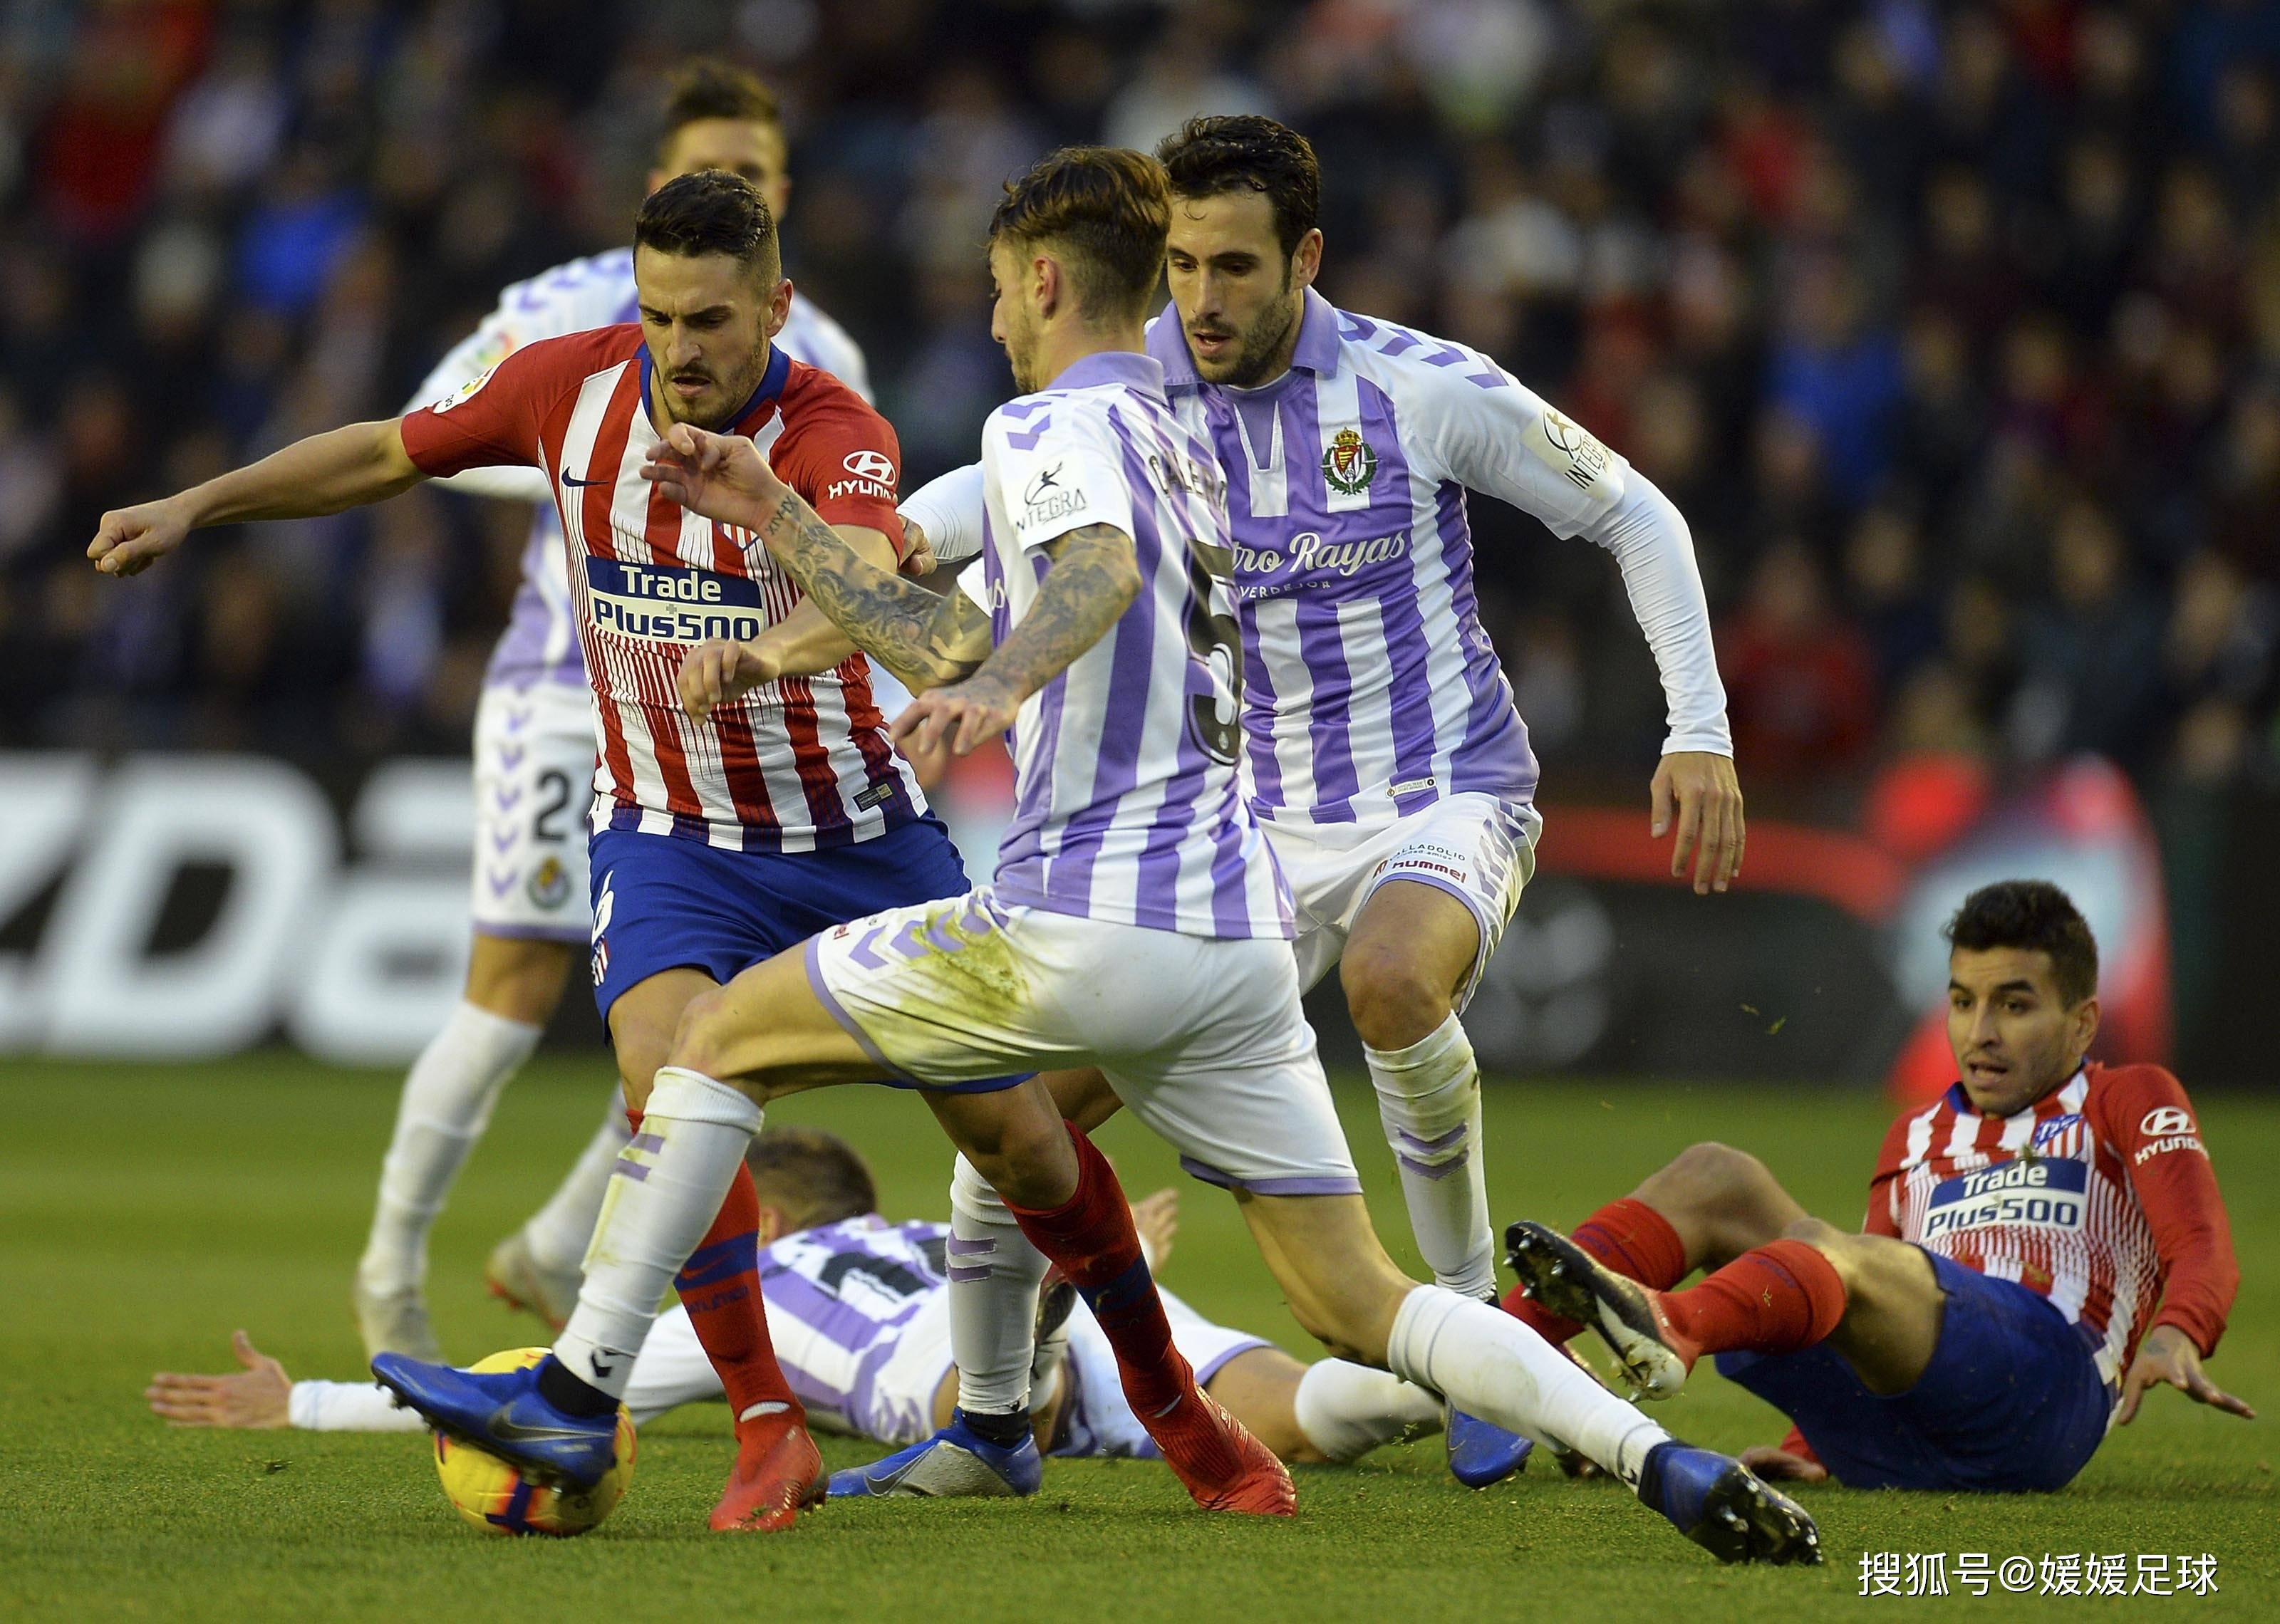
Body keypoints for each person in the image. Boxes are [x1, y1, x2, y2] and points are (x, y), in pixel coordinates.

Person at [477, 143, 1815, 1563]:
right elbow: (960, 566)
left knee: (710, 1045)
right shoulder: (1177, 424)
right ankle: (1656, 1459)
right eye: (1184, 265)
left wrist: (989, 683)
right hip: (1235, 920)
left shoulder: (1068, 421)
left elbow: (1078, 573)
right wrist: (794, 552)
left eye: (1004, 290)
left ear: (1052, 284)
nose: (998, 316)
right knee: (1340, 1291)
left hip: (1122, 904)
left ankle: (573, 1395)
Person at [88, 169, 1243, 1536]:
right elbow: (390, 452)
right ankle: (766, 1430)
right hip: (671, 841)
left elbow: (877, 587)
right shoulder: (566, 386)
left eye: (709, 319)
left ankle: (1180, 1413)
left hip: (857, 839)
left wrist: (770, 626)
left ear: (776, 307)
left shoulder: (836, 431)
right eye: (658, 316)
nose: (679, 348)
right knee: (666, 1074)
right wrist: (198, 506)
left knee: (1022, 1145)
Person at [895, 114, 1743, 1489]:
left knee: (1393, 980)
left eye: (1235, 267)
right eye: (1180, 267)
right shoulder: (1136, 390)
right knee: (1016, 1102)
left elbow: (1634, 512)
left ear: (1307, 259)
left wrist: (1697, 729)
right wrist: (897, 537)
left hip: (1441, 794)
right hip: (1242, 837)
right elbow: (997, 495)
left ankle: (1468, 1316)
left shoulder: (1420, 388)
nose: (1202, 300)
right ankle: (993, 1421)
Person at [356, 61, 878, 1366]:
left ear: (781, 192)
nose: (735, 186)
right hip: (566, 683)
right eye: (711, 168)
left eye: (755, 173)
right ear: (657, 183)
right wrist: (576, 467)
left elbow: (857, 558)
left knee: (702, 1009)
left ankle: (560, 1243)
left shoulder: (826, 358)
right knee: (514, 986)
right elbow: (428, 426)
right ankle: (389, 1273)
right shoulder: (563, 310)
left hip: (732, 698)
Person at [1503, 880, 2249, 1493]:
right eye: (1963, 1001)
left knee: (1829, 1248)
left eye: (2014, 1005)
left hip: (2039, 1401)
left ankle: (1671, 1324)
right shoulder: (1916, 1134)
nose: (1980, 1032)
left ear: (2082, 1024)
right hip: (1895, 1433)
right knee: (1717, 1174)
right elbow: (1856, 1306)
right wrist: (1810, 1448)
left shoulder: (2126, 1098)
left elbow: (2201, 1242)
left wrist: (2177, 1334)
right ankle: (1503, 1355)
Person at [151, 1129, 1450, 1473]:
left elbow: (528, 1395)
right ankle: (1459, 1378)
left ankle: (1031, 1350)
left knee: (974, 1409)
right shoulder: (923, 1225)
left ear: (760, 1220)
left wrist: (305, 1404)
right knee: (1299, 1409)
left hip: (941, 1364)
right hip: (1036, 1281)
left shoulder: (752, 1289)